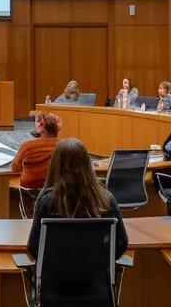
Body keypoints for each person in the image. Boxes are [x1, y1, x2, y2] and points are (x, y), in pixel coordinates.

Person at [26, 139, 129, 268]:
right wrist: (101, 263)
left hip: (55, 283)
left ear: (55, 165)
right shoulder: (105, 199)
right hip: (96, 282)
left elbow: (34, 247)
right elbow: (122, 242)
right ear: (87, 163)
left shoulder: (46, 201)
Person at [11, 112, 63, 191]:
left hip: (28, 190)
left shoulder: (27, 145)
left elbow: (15, 168)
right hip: (56, 190)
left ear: (39, 125)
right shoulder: (63, 146)